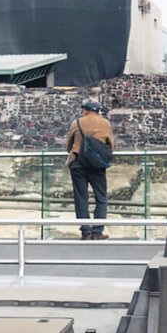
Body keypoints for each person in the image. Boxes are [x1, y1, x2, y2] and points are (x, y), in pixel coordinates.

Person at [65, 99, 114, 240]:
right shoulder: (105, 124)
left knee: (81, 198)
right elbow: (110, 145)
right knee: (101, 197)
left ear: (85, 111)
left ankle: (86, 232)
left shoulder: (77, 123)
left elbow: (68, 145)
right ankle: (98, 231)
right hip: (97, 165)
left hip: (78, 163)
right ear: (98, 112)